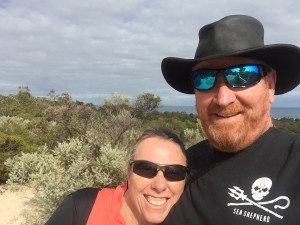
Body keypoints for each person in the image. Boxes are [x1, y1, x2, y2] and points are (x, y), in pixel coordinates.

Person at [161, 15, 300, 225]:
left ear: (270, 85)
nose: (223, 99)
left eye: (242, 75)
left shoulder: (294, 162)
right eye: (204, 78)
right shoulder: (182, 167)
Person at [45, 127, 189, 225]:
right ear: (128, 172)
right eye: (146, 169)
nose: (159, 185)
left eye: (175, 172)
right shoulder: (84, 207)